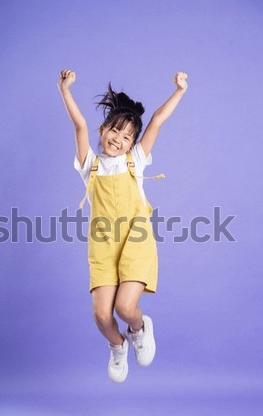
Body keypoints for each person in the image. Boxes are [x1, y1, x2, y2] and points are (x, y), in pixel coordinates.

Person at [57, 70, 188, 383]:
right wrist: (65, 90)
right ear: (103, 130)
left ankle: (140, 329)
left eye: (127, 136)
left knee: (126, 307)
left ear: (133, 143)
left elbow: (156, 120)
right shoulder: (90, 165)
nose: (118, 139)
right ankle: (117, 345)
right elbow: (79, 125)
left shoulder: (137, 160)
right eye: (114, 131)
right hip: (102, 244)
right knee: (102, 315)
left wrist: (180, 90)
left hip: (136, 239)